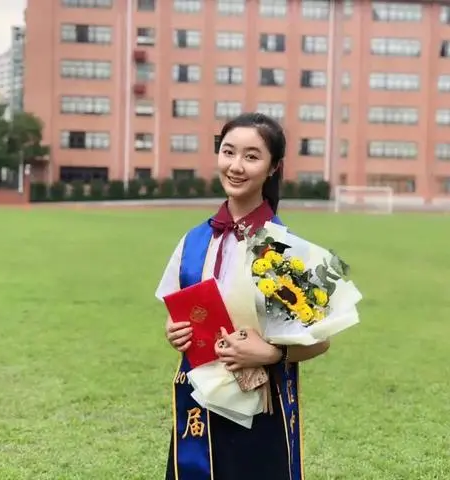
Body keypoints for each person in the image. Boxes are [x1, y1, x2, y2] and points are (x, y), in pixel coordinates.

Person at [155, 112, 330, 480]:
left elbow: (321, 339)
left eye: (252, 156)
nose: (236, 166)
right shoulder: (193, 241)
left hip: (260, 408)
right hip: (197, 400)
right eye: (228, 152)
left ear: (273, 167)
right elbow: (176, 313)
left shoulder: (285, 250)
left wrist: (272, 353)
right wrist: (174, 331)